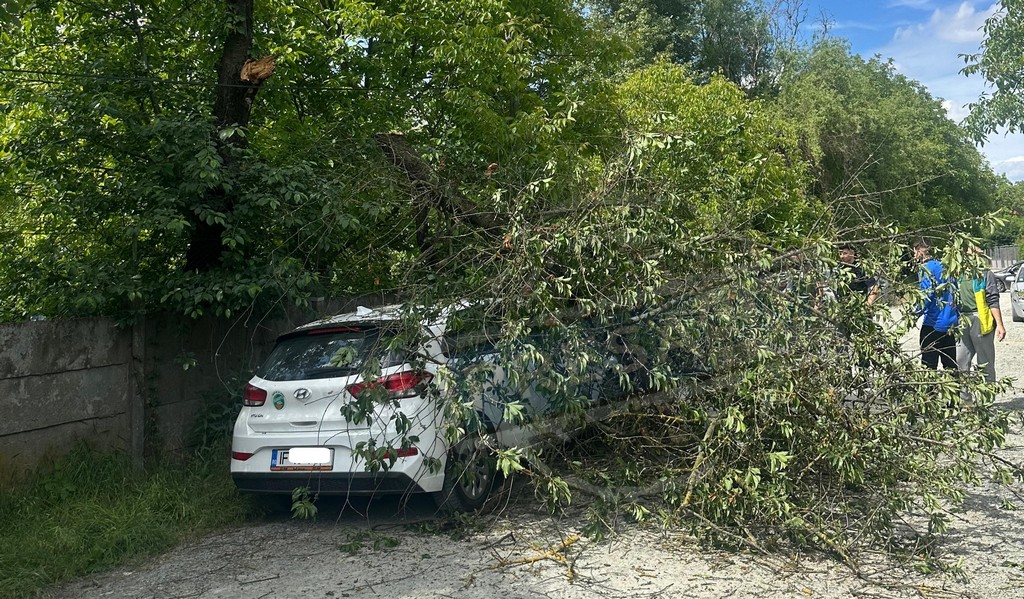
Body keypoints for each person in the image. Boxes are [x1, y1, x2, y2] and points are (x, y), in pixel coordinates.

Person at [956, 250, 1006, 382]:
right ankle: (964, 395)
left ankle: (987, 393)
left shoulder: (985, 273)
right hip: (962, 320)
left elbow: (993, 300)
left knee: (985, 362)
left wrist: (1000, 325)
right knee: (961, 361)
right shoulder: (958, 273)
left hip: (981, 321)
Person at [914, 240, 958, 371]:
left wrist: (914, 314)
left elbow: (926, 294)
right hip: (950, 324)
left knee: (929, 366)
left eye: (914, 251)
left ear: (920, 250)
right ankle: (954, 385)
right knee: (951, 366)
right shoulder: (946, 266)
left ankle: (929, 386)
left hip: (933, 324)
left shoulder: (926, 268)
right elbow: (956, 292)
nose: (914, 255)